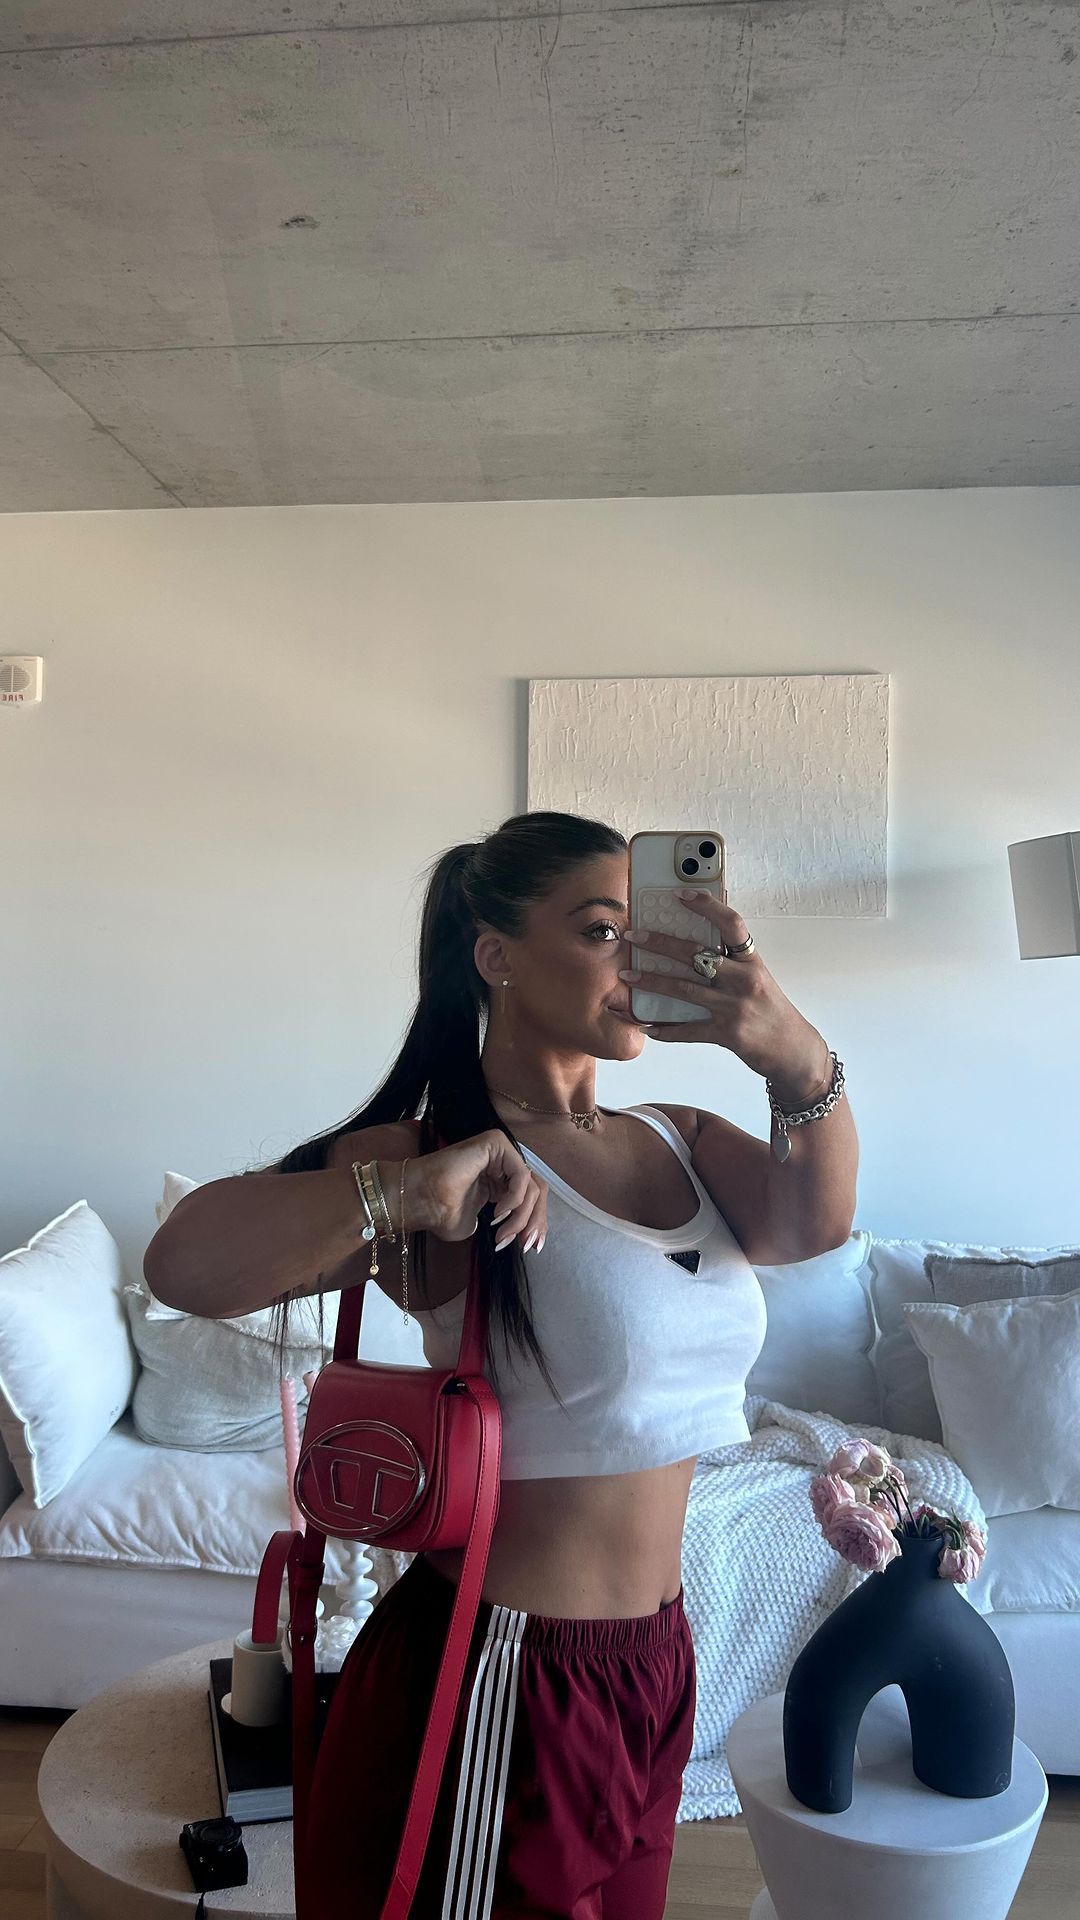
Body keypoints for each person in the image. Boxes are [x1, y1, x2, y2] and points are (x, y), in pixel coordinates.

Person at [145, 809, 857, 1919]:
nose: (634, 963)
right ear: (497, 957)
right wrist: (408, 1194)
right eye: (602, 931)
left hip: (660, 1661)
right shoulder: (437, 1157)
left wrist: (794, 1055)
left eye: (644, 933)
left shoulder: (676, 1136)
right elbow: (184, 1264)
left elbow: (814, 1223)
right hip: (509, 1671)